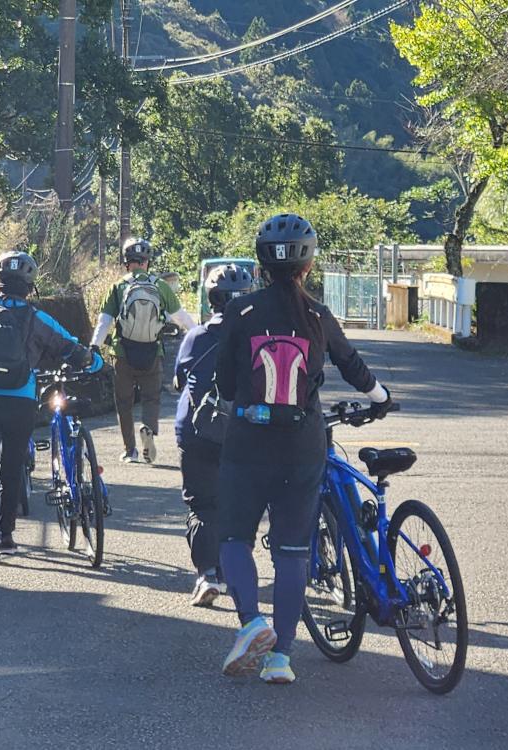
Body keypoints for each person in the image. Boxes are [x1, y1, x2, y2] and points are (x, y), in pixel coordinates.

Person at [215, 214, 395, 684]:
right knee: (293, 551)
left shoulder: (240, 313)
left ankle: (253, 623)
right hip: (302, 445)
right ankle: (282, 659)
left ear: (260, 264)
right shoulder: (317, 315)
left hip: (247, 444)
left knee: (234, 537)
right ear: (308, 265)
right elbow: (353, 365)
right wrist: (381, 399)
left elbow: (225, 384)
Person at [0, 250, 102, 563]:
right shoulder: (37, 318)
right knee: (11, 468)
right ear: (29, 284)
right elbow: (70, 348)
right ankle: (9, 535)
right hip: (20, 399)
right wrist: (95, 361)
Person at [174, 264, 254, 607]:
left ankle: (207, 574)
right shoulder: (256, 339)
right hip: (243, 434)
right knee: (235, 506)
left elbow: (180, 378)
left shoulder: (197, 337)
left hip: (197, 432)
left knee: (202, 505)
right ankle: (235, 573)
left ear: (213, 299)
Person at [89, 237, 196, 464]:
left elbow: (104, 322)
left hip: (123, 353)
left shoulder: (118, 287)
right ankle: (148, 429)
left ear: (126, 262)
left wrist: (94, 347)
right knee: (151, 398)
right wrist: (201, 336)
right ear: (147, 261)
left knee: (124, 402)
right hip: (152, 353)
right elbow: (182, 318)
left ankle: (130, 450)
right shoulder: (160, 286)